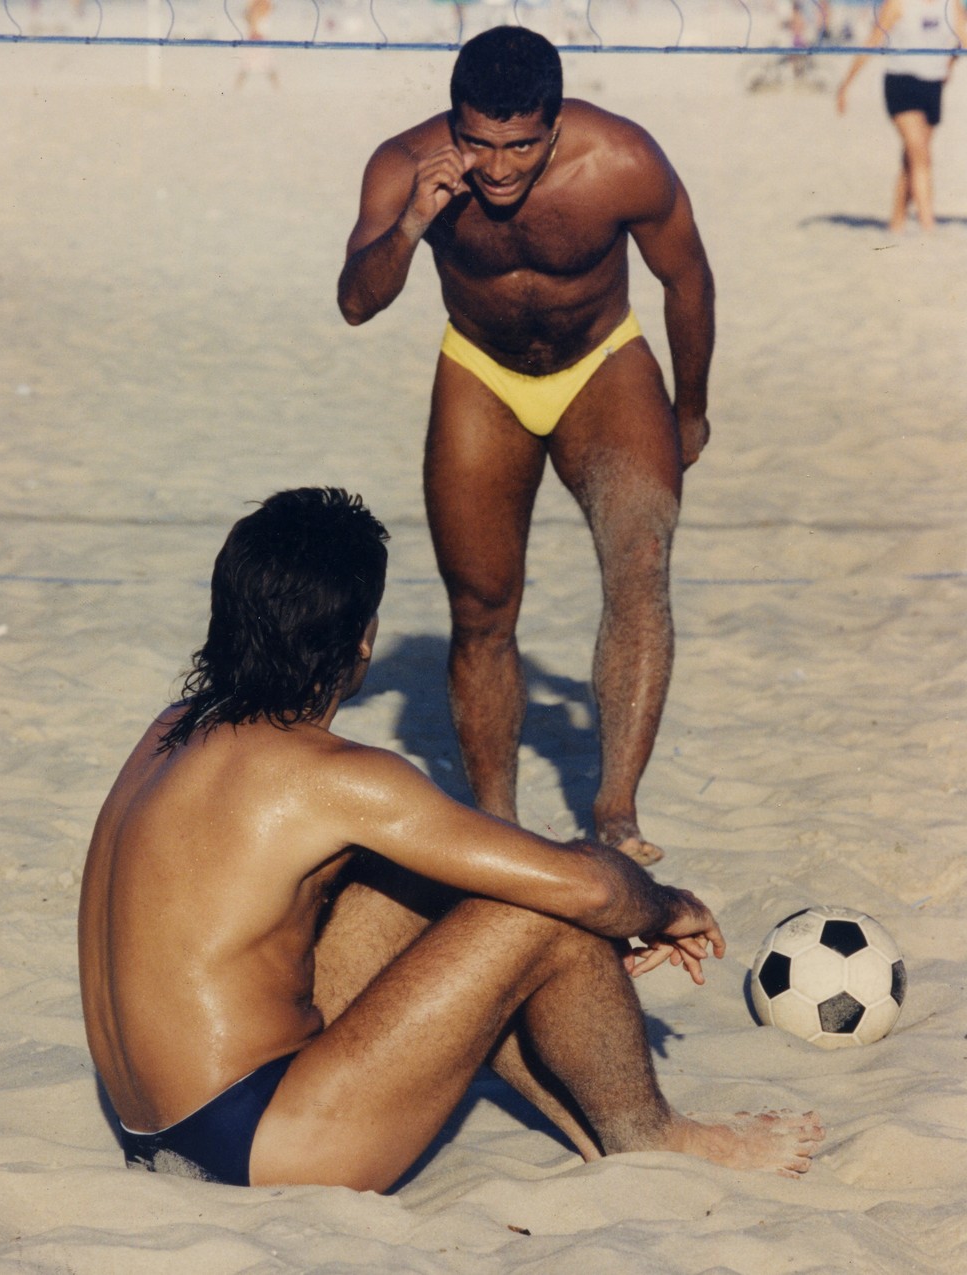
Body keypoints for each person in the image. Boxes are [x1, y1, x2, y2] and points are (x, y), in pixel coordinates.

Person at [78, 487, 823, 1190]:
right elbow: (590, 886)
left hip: (154, 1130)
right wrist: (666, 904)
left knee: (444, 877)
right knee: (542, 906)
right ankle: (653, 1134)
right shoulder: (329, 776)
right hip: (260, 1144)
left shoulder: (170, 731)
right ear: (362, 640)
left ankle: (589, 1130)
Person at [337, 26, 716, 866]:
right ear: (453, 122)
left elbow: (685, 275)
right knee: (480, 608)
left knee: (640, 560)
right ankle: (498, 821)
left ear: (553, 123)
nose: (499, 168)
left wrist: (690, 407)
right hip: (481, 370)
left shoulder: (621, 160)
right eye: (478, 144)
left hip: (603, 361)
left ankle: (615, 809)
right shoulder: (405, 166)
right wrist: (410, 226)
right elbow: (355, 304)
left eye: (521, 146)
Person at [837, 0, 967, 233]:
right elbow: (873, 41)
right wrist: (846, 83)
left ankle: (896, 222)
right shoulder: (899, 3)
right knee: (921, 155)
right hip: (902, 82)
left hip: (933, 86)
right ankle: (928, 226)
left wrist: (951, 62)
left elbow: (964, 37)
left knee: (913, 159)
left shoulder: (950, 4)